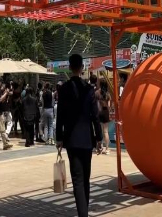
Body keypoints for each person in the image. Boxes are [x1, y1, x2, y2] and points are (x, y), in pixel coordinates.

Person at [56, 54, 103, 217]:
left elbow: (60, 115)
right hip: (87, 139)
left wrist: (59, 137)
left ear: (70, 67)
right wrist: (99, 138)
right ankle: (84, 212)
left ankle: (82, 214)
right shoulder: (89, 90)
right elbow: (95, 116)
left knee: (77, 179)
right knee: (86, 178)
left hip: (71, 139)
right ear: (82, 68)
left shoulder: (63, 89)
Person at [98, 80, 112, 154]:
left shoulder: (98, 93)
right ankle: (107, 148)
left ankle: (101, 147)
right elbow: (109, 106)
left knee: (100, 131)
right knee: (106, 131)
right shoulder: (108, 94)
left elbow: (97, 104)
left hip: (100, 112)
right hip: (106, 112)